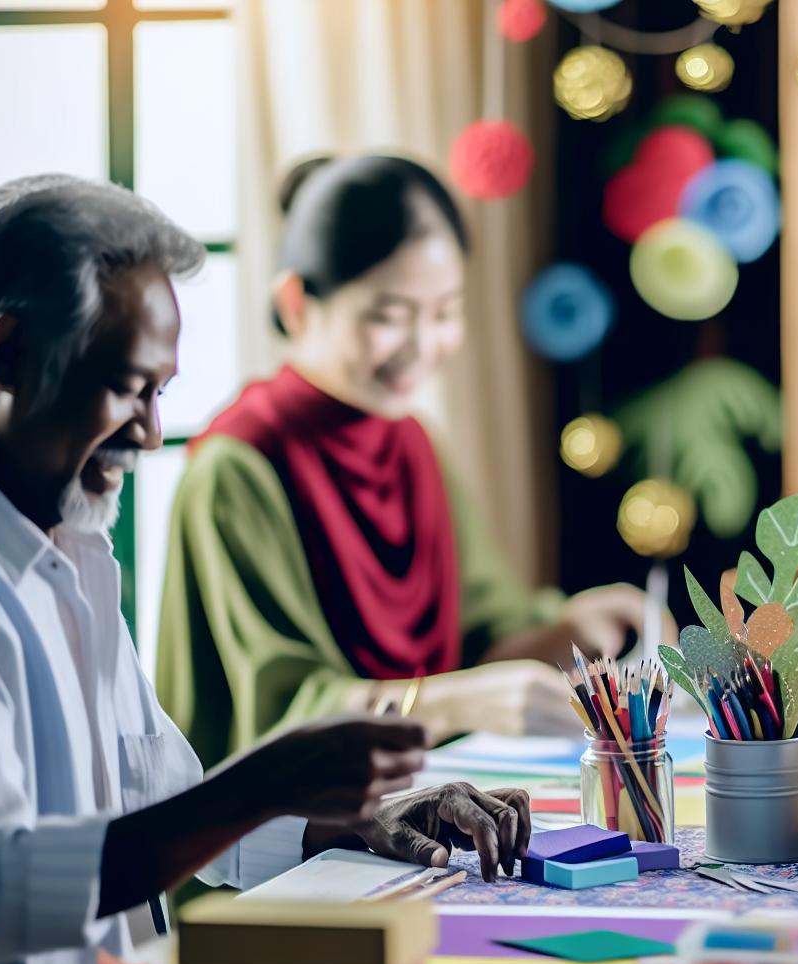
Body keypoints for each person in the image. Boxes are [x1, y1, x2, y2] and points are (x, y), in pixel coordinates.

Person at [0, 176, 536, 964]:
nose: (149, 432)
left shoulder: (74, 554)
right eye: (125, 386)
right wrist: (261, 783)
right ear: (10, 356)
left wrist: (360, 821)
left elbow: (158, 810)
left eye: (161, 393)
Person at [157, 155, 667, 764]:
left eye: (446, 312)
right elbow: (278, 712)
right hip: (281, 841)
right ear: (296, 303)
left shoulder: (413, 442)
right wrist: (454, 704)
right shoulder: (238, 468)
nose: (425, 346)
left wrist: (569, 630)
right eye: (388, 317)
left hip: (429, 803)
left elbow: (485, 634)